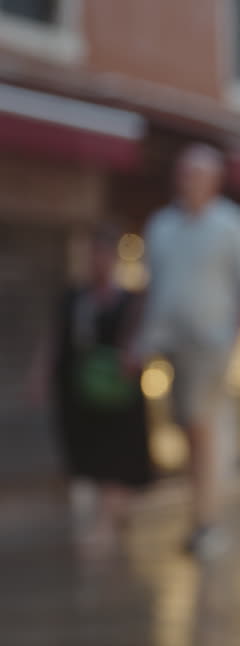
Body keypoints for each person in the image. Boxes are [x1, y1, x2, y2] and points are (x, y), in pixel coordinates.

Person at [135, 144, 240, 556]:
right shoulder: (162, 226)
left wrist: (235, 341)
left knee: (200, 427)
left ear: (215, 180)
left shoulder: (232, 225)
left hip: (210, 344)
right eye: (183, 173)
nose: (187, 181)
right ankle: (203, 515)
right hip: (168, 345)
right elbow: (151, 287)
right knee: (189, 430)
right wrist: (140, 341)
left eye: (196, 174)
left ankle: (207, 521)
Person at [28, 222, 154, 551]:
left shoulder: (129, 301)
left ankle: (107, 522)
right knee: (91, 455)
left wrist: (132, 358)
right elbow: (56, 338)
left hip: (117, 390)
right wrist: (40, 375)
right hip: (82, 390)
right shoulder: (74, 298)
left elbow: (142, 339)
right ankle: (107, 517)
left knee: (114, 455)